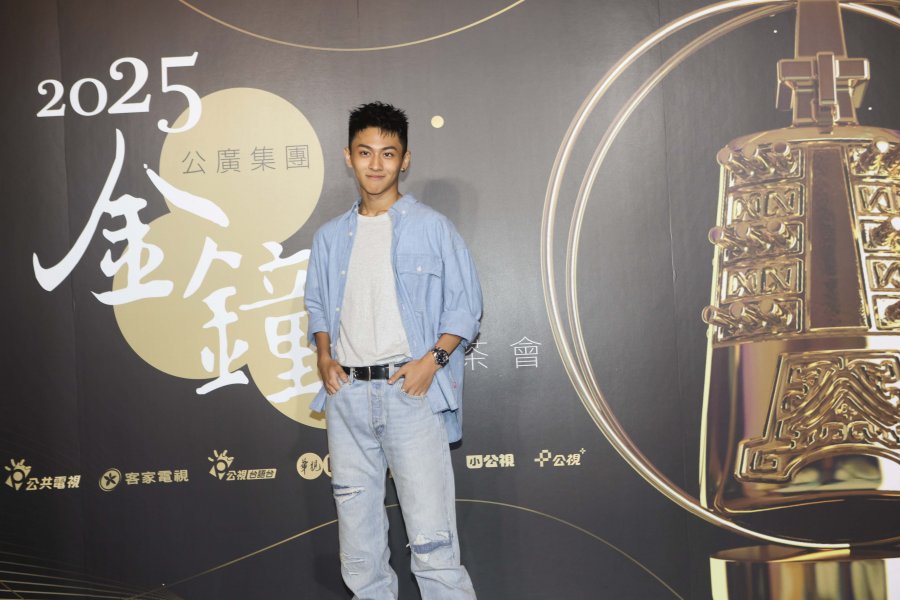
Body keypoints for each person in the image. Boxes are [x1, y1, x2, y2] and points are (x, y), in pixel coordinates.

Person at [304, 101, 481, 600]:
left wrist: (433, 362)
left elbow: (466, 308)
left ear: (405, 159)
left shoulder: (433, 227)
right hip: (347, 399)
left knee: (433, 544)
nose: (376, 163)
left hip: (411, 396)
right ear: (348, 156)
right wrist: (324, 356)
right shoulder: (329, 237)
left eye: (388, 153)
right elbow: (317, 305)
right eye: (365, 152)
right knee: (360, 554)